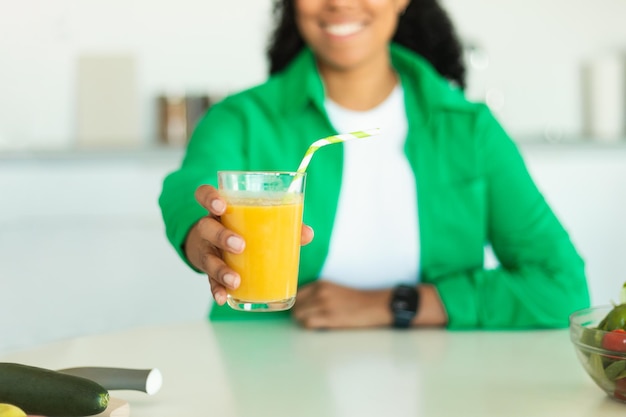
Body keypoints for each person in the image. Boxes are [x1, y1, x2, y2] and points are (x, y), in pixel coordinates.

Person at [159, 0, 590, 330]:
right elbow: (189, 187)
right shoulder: (242, 118)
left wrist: (397, 303)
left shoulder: (469, 130)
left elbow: (562, 285)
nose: (340, 3)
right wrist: (202, 232)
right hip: (260, 383)